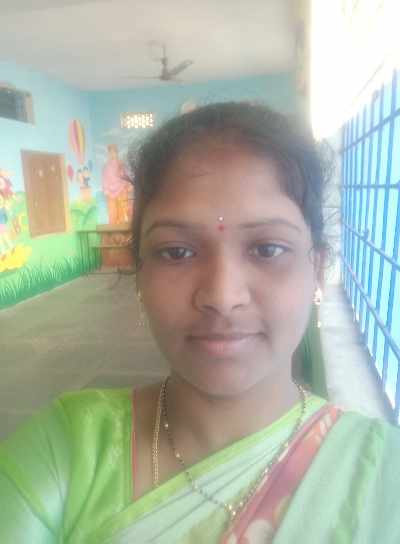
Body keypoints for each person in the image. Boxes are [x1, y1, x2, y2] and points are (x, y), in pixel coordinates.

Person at [0, 102, 399, 543]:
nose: (222, 297)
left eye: (267, 249)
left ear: (318, 268)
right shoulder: (68, 451)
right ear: (139, 273)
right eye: (177, 252)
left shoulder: (381, 476)